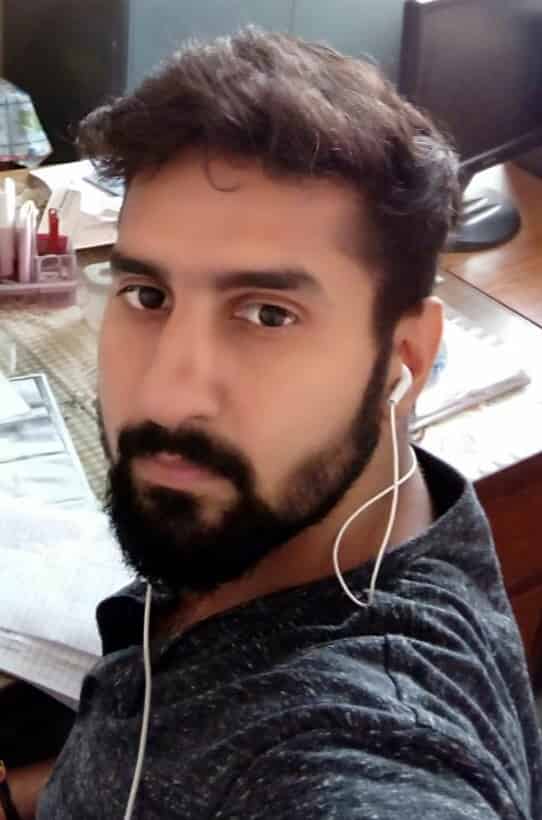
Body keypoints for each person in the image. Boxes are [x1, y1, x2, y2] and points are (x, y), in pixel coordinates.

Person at [6, 26, 542, 820]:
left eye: (267, 314)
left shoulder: (358, 753)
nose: (169, 395)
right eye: (149, 296)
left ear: (404, 357)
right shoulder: (304, 504)